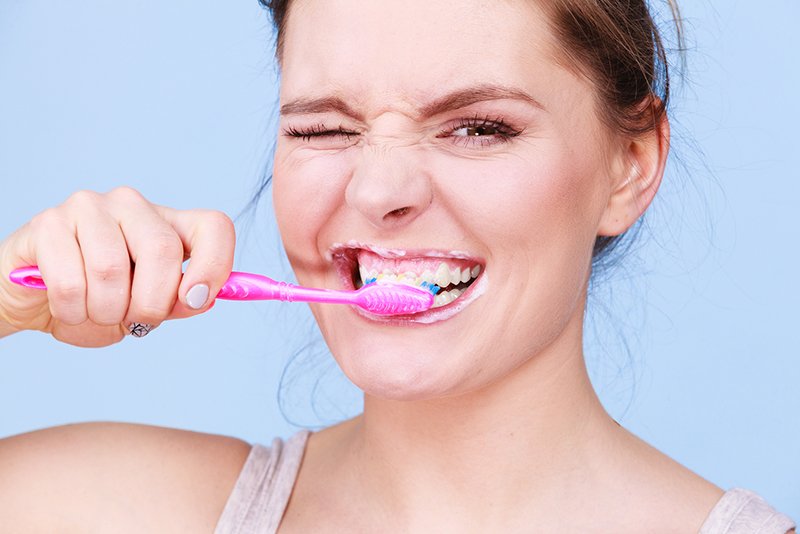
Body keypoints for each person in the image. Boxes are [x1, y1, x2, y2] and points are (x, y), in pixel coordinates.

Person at [0, 0, 795, 532]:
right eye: (323, 131)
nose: (378, 191)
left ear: (628, 164)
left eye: (479, 128)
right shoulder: (124, 510)